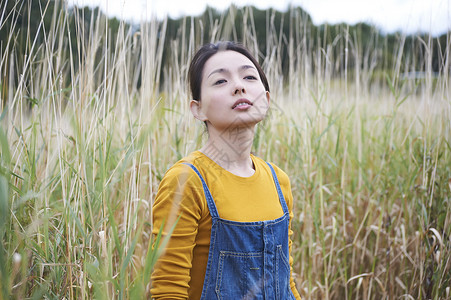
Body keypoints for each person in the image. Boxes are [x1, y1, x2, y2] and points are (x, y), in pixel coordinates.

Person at [151, 41, 302, 300]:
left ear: (266, 100)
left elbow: (285, 283)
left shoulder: (279, 181)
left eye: (249, 77)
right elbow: (167, 290)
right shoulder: (187, 181)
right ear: (197, 109)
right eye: (220, 81)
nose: (239, 86)